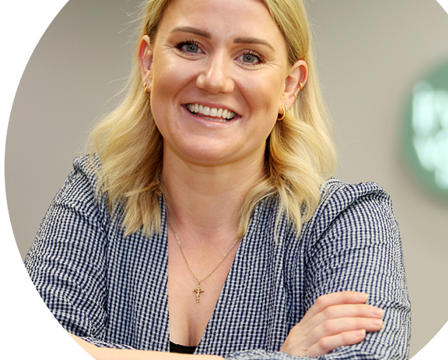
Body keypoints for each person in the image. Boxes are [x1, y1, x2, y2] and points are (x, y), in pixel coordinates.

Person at [24, 0, 410, 359]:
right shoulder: (95, 195)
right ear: (147, 64)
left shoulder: (347, 219)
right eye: (190, 46)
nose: (215, 80)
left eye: (250, 57)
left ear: (290, 87)